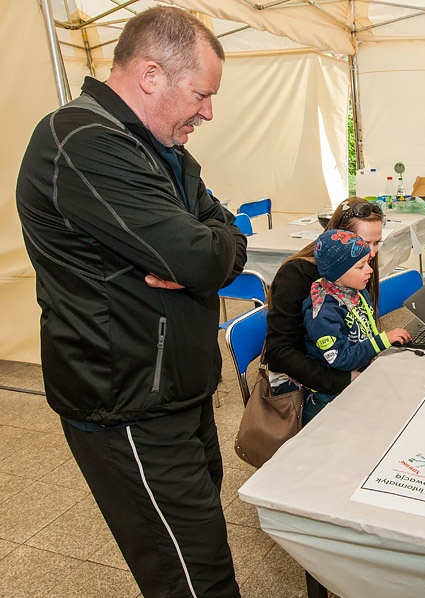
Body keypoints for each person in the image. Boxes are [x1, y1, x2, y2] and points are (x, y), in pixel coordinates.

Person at [16, 7, 245, 597]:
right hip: (130, 404)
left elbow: (226, 235)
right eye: (201, 94)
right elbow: (200, 259)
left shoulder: (158, 146)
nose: (209, 111)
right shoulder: (83, 141)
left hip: (177, 390)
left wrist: (206, 251)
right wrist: (201, 256)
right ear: (150, 75)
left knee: (200, 544)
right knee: (196, 576)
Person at [264, 197, 385, 419]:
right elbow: (279, 353)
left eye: (377, 243)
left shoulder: (358, 268)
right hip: (304, 381)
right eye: (365, 242)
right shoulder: (296, 276)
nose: (372, 252)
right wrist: (343, 380)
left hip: (340, 363)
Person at [300, 230, 410, 422]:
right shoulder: (322, 313)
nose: (369, 270)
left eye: (367, 263)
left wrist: (375, 353)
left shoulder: (356, 291)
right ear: (337, 273)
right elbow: (340, 359)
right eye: (360, 267)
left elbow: (367, 328)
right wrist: (383, 341)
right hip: (332, 393)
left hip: (361, 369)